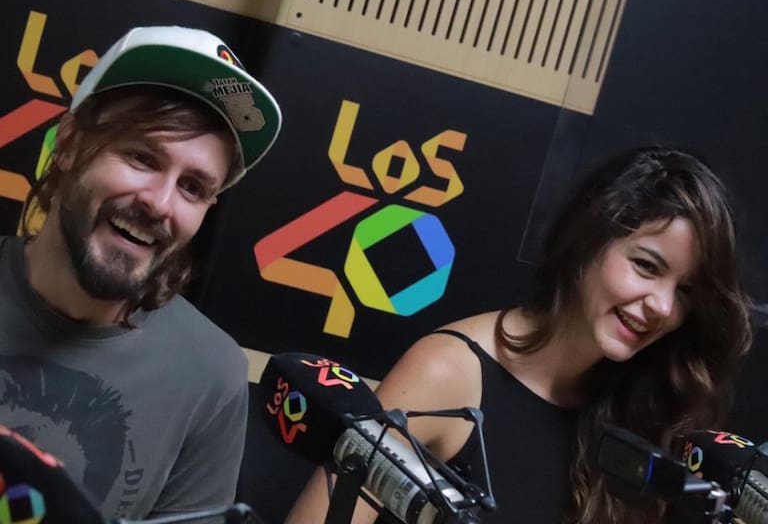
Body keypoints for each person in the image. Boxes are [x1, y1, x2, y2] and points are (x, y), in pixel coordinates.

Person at [286, 147, 752, 524]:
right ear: (588, 241)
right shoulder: (447, 372)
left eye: (686, 291)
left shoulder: (645, 403)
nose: (663, 307)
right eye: (646, 267)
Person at [0, 26, 281, 519]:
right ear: (68, 143)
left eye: (193, 187)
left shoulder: (210, 373)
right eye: (142, 157)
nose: (160, 203)